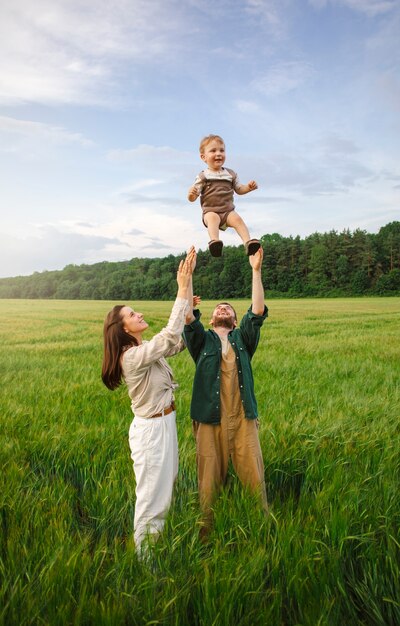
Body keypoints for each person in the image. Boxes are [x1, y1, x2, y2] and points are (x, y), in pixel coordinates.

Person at [101, 247, 196, 556]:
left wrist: (188, 306)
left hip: (164, 424)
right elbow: (168, 337)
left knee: (164, 492)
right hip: (151, 432)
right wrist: (181, 289)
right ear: (122, 328)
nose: (138, 314)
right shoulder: (131, 358)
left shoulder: (145, 352)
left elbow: (177, 343)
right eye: (131, 314)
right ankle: (145, 565)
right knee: (151, 498)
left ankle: (153, 554)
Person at [183, 247, 268, 538]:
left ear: (234, 320)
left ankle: (260, 530)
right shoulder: (202, 341)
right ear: (210, 319)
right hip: (209, 420)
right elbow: (186, 317)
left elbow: (257, 312)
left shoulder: (243, 338)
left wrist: (256, 271)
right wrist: (189, 278)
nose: (222, 309)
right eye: (218, 308)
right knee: (208, 482)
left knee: (254, 478)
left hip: (244, 417)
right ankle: (206, 535)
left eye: (228, 309)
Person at [187, 134, 261, 257]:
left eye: (222, 150)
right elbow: (194, 197)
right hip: (210, 211)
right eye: (213, 150)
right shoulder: (203, 176)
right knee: (213, 219)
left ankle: (248, 243)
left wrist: (248, 188)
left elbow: (239, 189)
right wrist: (191, 195)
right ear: (203, 157)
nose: (218, 153)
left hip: (227, 211)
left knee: (238, 220)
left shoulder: (231, 174)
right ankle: (215, 243)